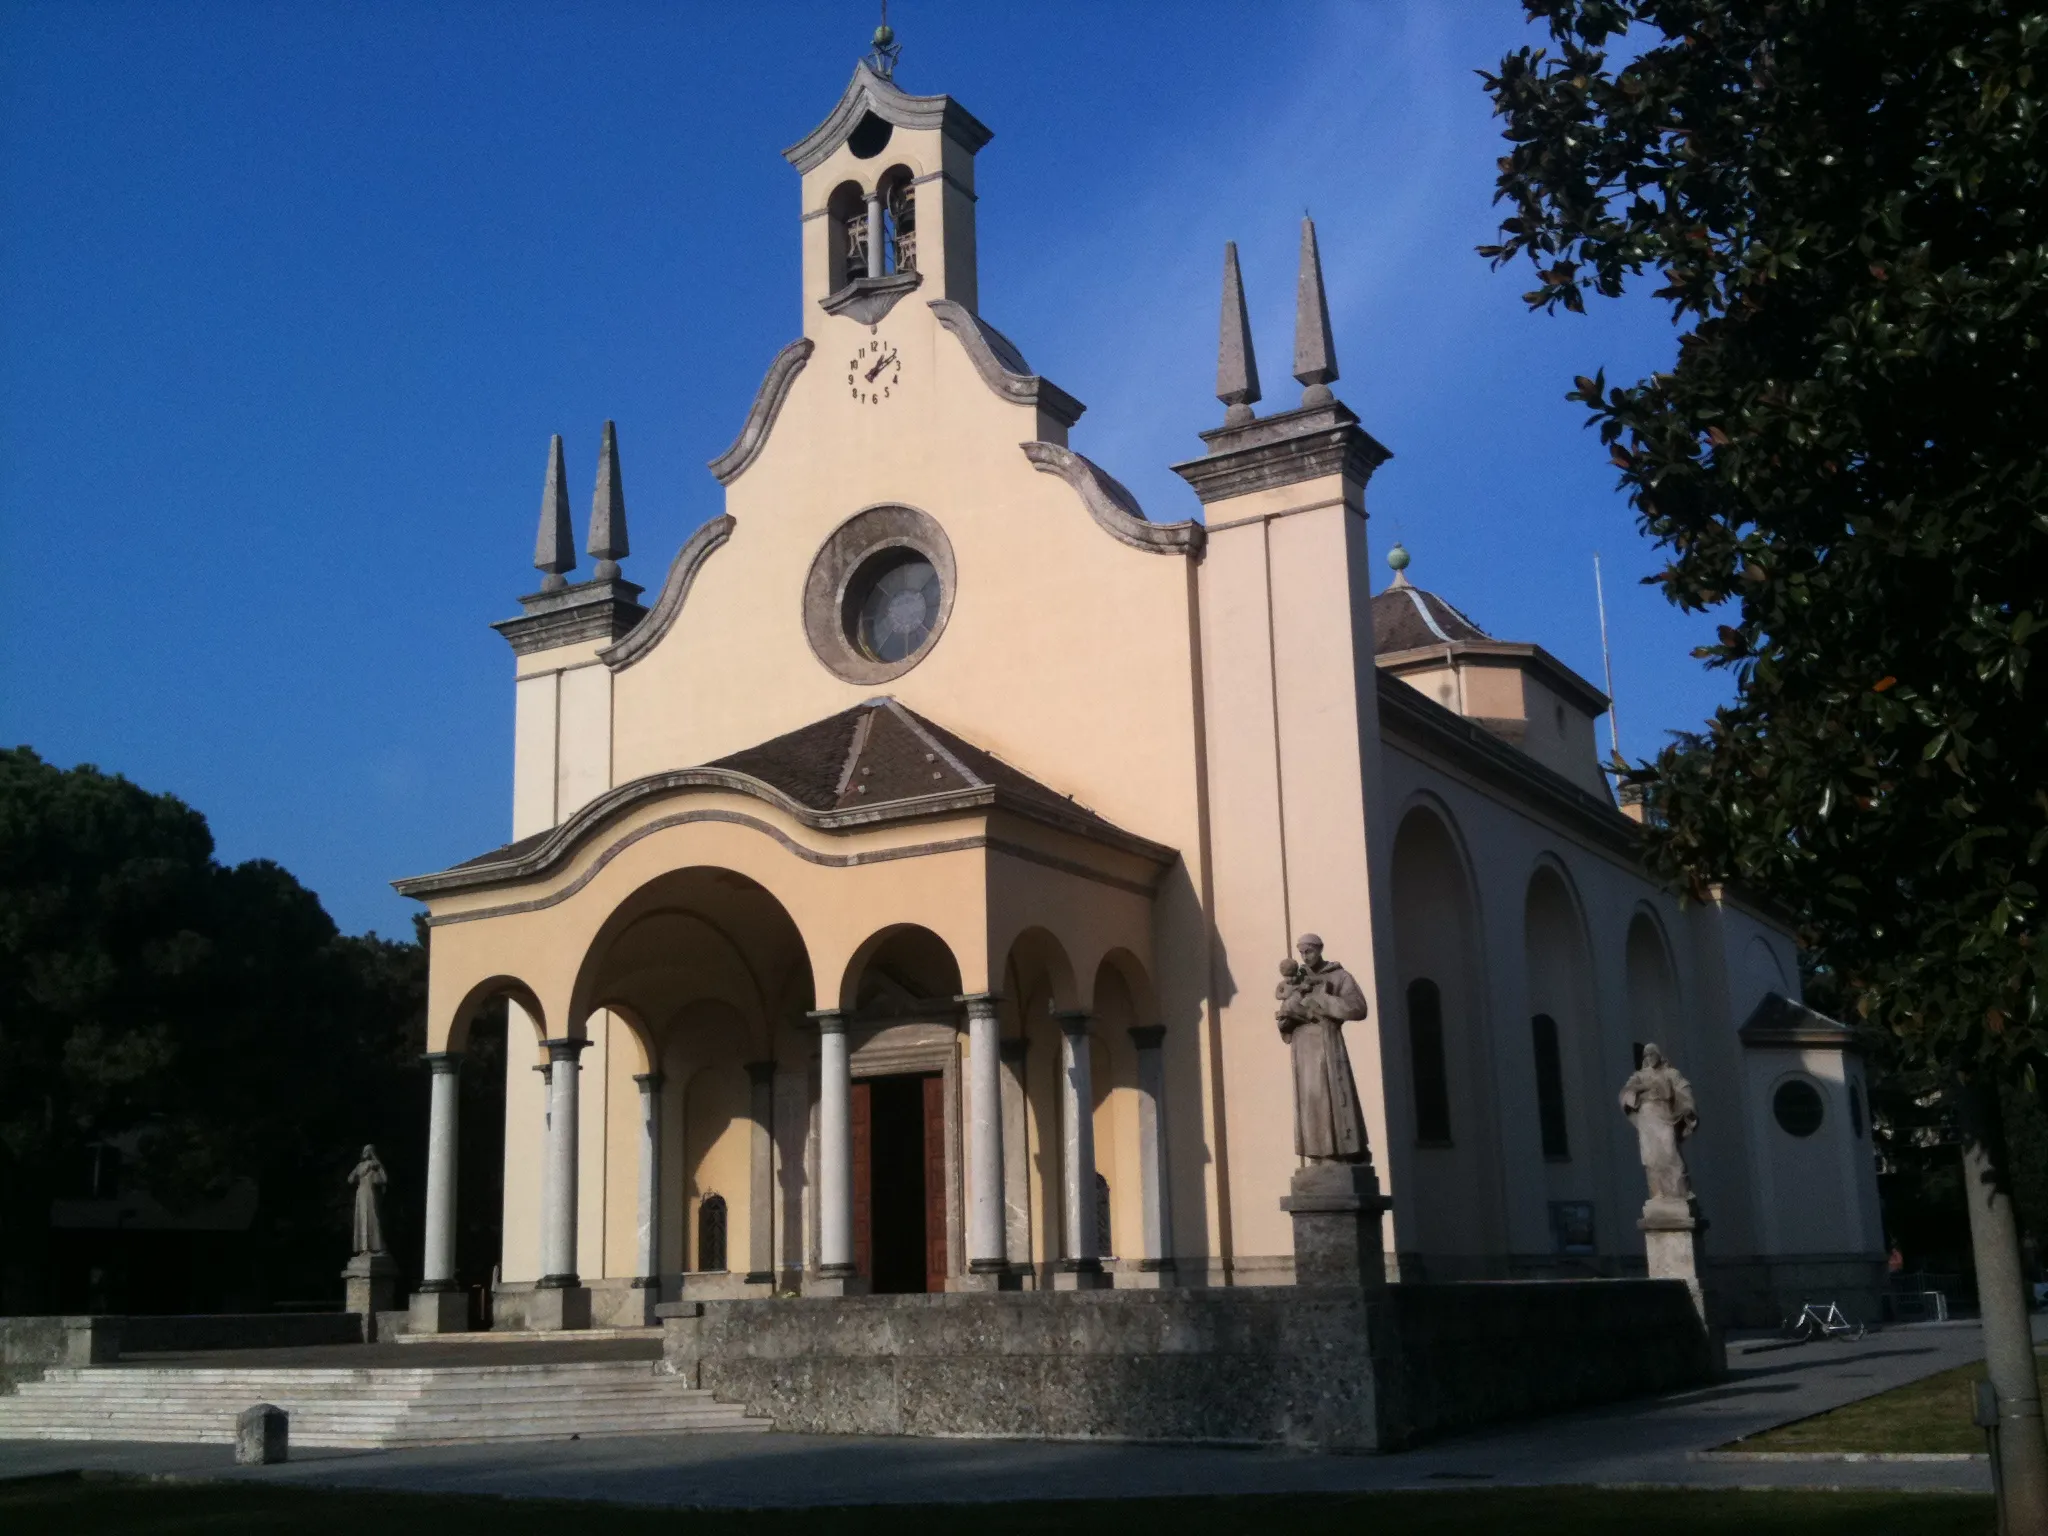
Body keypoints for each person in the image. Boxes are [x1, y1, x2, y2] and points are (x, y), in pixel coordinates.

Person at [1275, 934, 1372, 1164]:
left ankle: (1342, 1154)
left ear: (1320, 950)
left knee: (1333, 1097)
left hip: (1328, 1043)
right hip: (1303, 1048)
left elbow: (1358, 1008)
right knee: (1310, 1100)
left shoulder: (1338, 976)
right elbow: (1285, 1012)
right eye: (1301, 953)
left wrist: (1325, 1000)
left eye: (1309, 951)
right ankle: (1317, 1156)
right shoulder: (1297, 981)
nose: (1305, 957)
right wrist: (1286, 1019)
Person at [1619, 1044, 1697, 1203]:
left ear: (1658, 1055)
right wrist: (1643, 1088)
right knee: (1651, 1157)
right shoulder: (1640, 1076)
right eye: (1646, 1055)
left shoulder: (1670, 1073)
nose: (1649, 1057)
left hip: (1664, 1114)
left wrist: (1687, 1107)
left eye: (1652, 1054)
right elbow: (1627, 1092)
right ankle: (1657, 1193)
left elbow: (1683, 1087)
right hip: (1646, 1118)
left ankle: (1680, 1192)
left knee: (1670, 1153)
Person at [348, 1144, 389, 1256]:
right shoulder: (367, 1165)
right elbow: (350, 1179)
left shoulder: (370, 1167)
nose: (366, 1152)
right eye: (366, 1150)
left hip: (368, 1193)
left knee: (371, 1218)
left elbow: (384, 1179)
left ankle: (370, 1247)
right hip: (363, 1193)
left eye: (368, 1151)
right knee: (364, 1219)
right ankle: (365, 1247)